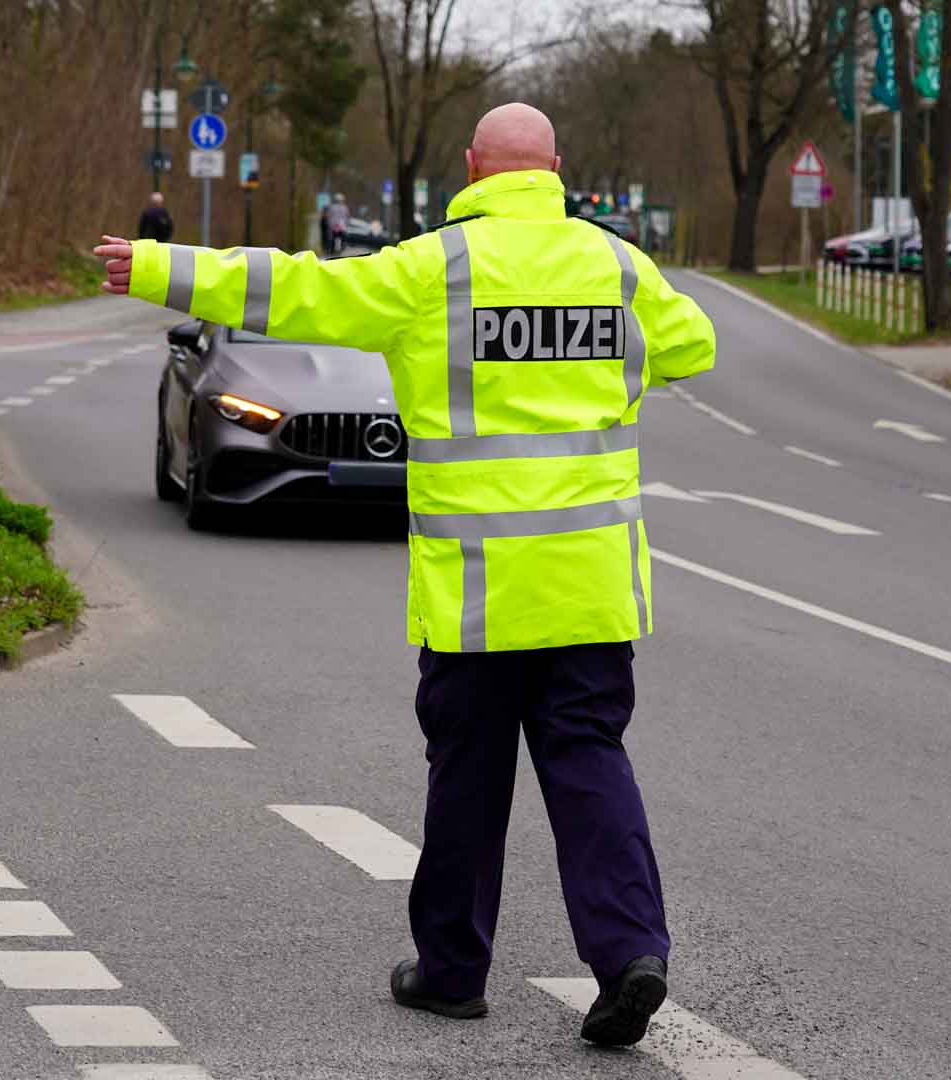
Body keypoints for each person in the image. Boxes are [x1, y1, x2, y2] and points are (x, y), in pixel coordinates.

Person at [92, 102, 716, 1049]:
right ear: (556, 168)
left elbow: (296, 292)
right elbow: (691, 346)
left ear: (472, 167)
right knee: (589, 760)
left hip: (478, 588)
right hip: (589, 584)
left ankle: (454, 973)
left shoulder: (436, 270)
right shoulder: (618, 266)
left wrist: (157, 266)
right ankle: (631, 952)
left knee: (468, 773)